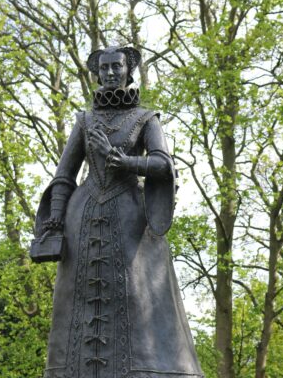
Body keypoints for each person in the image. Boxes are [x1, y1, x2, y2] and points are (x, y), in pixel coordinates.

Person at [35, 46, 204, 378]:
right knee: (78, 296)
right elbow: (64, 175)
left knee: (137, 296)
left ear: (129, 70)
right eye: (105, 68)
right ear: (97, 74)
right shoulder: (84, 121)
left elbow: (163, 164)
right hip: (82, 217)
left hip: (131, 217)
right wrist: (55, 219)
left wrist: (125, 161)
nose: (111, 73)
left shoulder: (146, 118)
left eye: (117, 67)